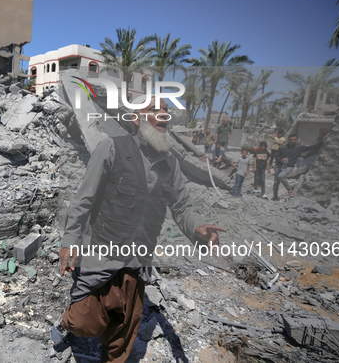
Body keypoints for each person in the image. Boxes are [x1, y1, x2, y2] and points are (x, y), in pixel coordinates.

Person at [52, 98, 226, 362]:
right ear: (136, 120)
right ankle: (67, 321)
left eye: (167, 111)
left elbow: (182, 207)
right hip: (103, 251)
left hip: (138, 256)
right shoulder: (111, 147)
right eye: (155, 110)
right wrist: (71, 240)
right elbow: (83, 199)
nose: (163, 115)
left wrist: (198, 227)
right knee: (86, 323)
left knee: (125, 328)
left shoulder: (172, 165)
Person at [273, 133, 327, 199]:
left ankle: (289, 190)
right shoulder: (282, 147)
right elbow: (276, 156)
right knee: (276, 182)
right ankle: (275, 197)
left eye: (294, 140)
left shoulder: (299, 148)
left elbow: (311, 147)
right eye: (291, 139)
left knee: (281, 176)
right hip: (279, 165)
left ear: (296, 140)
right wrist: (281, 159)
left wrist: (322, 141)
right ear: (288, 140)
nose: (292, 141)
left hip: (289, 166)